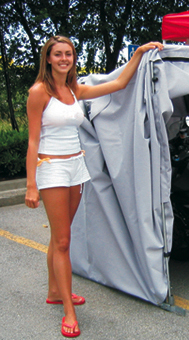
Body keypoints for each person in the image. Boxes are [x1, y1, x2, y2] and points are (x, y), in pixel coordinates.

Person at [24, 35, 163, 338]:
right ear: (48, 58)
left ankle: (54, 290)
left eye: (69, 54)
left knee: (62, 236)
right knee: (63, 241)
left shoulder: (74, 90)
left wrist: (138, 53)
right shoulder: (39, 92)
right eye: (58, 54)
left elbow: (118, 85)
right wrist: (31, 185)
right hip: (51, 169)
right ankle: (69, 312)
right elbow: (33, 140)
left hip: (76, 166)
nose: (64, 59)